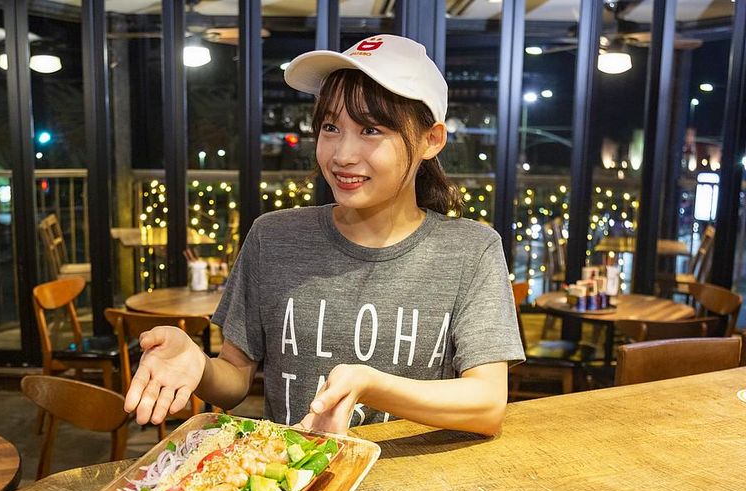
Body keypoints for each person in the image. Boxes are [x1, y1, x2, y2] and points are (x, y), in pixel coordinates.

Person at [124, 34, 525, 435]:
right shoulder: (273, 237)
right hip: (293, 473)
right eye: (331, 127)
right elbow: (234, 378)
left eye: (370, 130)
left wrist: (371, 385)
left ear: (431, 140)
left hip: (414, 474)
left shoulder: (470, 250)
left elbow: (487, 404)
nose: (342, 155)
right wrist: (198, 363)